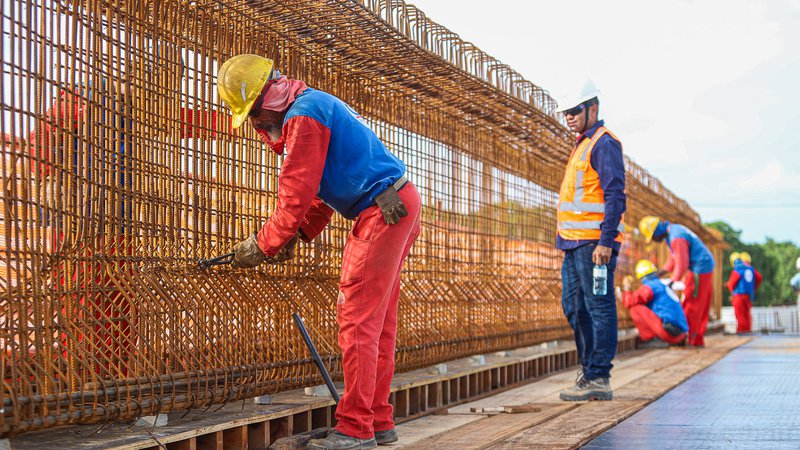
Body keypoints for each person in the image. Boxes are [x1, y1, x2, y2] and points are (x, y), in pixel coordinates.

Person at [217, 54, 421, 450]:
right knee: (377, 323)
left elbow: (295, 194)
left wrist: (263, 244)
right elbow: (321, 191)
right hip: (396, 203)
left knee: (358, 317)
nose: (259, 127)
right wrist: (299, 234)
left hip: (381, 210)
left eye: (256, 116)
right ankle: (378, 420)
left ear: (266, 99)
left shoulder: (304, 117)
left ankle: (356, 429)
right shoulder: (314, 104)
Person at [554, 80, 626, 402]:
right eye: (565, 113)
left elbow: (615, 195)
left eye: (574, 111)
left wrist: (606, 242)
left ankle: (599, 376)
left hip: (594, 244)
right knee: (574, 305)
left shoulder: (603, 144)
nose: (569, 117)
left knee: (599, 306)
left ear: (592, 109)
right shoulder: (582, 143)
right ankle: (590, 370)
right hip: (572, 243)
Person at [638, 216, 715, 347]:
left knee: (693, 303)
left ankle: (692, 340)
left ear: (656, 231)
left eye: (653, 237)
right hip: (702, 267)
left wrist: (673, 281)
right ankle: (694, 339)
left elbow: (682, 262)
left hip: (699, 269)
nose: (655, 241)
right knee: (697, 302)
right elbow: (675, 257)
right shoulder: (674, 231)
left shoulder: (676, 237)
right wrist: (663, 271)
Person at [620, 260, 688, 347]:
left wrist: (626, 288)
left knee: (635, 309)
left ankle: (650, 339)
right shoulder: (660, 284)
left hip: (670, 333)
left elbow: (630, 301)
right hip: (679, 333)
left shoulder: (650, 286)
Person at [726, 252, 762, 333]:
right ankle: (748, 333)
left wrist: (731, 290)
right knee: (747, 315)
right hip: (749, 296)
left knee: (740, 316)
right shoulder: (751, 268)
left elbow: (731, 283)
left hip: (739, 296)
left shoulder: (738, 268)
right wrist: (754, 288)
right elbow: (759, 277)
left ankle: (742, 333)